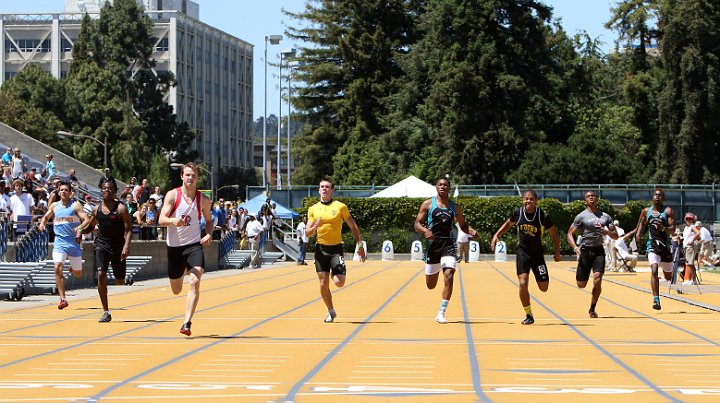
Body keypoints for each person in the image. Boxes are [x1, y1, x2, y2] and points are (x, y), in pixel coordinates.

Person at [158, 162, 213, 336]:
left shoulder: (203, 200)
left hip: (193, 246)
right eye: (187, 175)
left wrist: (209, 234)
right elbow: (161, 219)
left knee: (195, 281)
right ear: (182, 176)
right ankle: (180, 271)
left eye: (193, 175)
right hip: (174, 248)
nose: (190, 178)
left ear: (198, 178)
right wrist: (174, 221)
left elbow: (209, 221)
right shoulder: (172, 195)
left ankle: (186, 323)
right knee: (176, 290)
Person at [491, 189, 561, 325]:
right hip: (523, 253)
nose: (528, 201)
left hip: (537, 255)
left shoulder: (542, 216)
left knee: (544, 287)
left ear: (536, 201)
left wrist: (557, 252)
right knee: (523, 282)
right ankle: (529, 314)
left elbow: (554, 234)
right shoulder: (518, 213)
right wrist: (497, 235)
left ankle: (540, 279)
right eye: (526, 199)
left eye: (531, 199)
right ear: (523, 200)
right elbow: (508, 224)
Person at [414, 176, 475, 324]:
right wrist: (425, 231)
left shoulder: (455, 207)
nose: (442, 187)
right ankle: (430, 271)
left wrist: (471, 231)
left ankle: (441, 312)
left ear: (449, 188)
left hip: (448, 244)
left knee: (449, 275)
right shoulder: (428, 204)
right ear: (436, 187)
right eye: (440, 185)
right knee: (431, 285)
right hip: (433, 246)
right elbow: (417, 223)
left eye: (445, 185)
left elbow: (463, 225)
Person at [305, 179, 366, 323]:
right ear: (318, 190)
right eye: (322, 187)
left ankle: (335, 270)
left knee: (339, 282)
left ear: (332, 190)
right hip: (321, 250)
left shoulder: (340, 207)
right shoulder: (313, 209)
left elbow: (353, 226)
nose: (324, 189)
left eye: (327, 187)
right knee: (323, 283)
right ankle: (331, 311)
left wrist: (360, 245)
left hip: (336, 249)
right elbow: (307, 233)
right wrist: (315, 227)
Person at [77, 179, 133, 322]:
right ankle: (106, 311)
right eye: (104, 188)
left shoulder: (121, 209)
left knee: (120, 280)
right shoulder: (97, 209)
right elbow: (90, 226)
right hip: (101, 244)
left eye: (109, 188)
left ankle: (120, 274)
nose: (106, 190)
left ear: (114, 191)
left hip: (118, 246)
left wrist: (126, 246)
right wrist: (80, 231)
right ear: (101, 191)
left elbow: (129, 230)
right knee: (101, 274)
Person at [38, 181, 89, 310]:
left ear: (71, 193)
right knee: (57, 267)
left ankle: (73, 267)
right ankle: (63, 299)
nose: (63, 192)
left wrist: (80, 228)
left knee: (78, 273)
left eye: (66, 190)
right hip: (59, 242)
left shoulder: (75, 206)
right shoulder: (55, 206)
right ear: (59, 192)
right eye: (61, 190)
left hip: (73, 243)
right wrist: (42, 224)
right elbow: (45, 216)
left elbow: (87, 219)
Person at [567, 191, 618, 318]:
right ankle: (582, 274)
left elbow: (616, 235)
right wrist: (575, 247)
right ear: (585, 201)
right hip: (585, 251)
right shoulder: (581, 216)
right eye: (588, 197)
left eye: (593, 196)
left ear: (597, 199)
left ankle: (592, 308)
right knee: (581, 285)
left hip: (598, 251)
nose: (591, 198)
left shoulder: (605, 217)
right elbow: (569, 234)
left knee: (597, 280)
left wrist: (606, 232)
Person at [634, 187, 676, 310]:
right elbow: (642, 224)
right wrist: (638, 234)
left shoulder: (668, 211)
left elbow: (673, 229)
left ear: (663, 198)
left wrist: (663, 228)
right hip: (652, 245)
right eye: (655, 195)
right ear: (652, 198)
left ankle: (667, 273)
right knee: (653, 270)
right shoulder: (646, 211)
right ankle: (656, 299)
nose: (657, 196)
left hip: (665, 246)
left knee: (668, 276)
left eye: (660, 195)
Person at [681, 213, 700, 285]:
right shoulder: (686, 228)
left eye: (690, 219)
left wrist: (692, 240)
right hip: (686, 246)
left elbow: (698, 233)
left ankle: (689, 280)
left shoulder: (692, 226)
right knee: (690, 263)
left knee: (689, 263)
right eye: (687, 218)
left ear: (693, 220)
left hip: (690, 246)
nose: (688, 220)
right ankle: (693, 280)